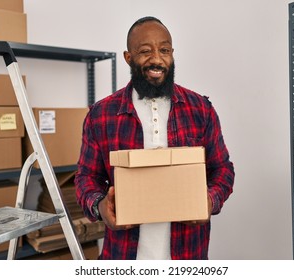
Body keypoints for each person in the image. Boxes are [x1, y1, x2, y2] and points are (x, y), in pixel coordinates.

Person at [75, 16, 235, 260]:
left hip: (188, 255)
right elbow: (86, 177)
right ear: (128, 58)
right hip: (123, 255)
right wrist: (99, 206)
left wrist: (210, 201)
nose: (157, 59)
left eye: (165, 50)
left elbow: (223, 169)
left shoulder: (200, 109)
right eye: (145, 51)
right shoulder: (101, 114)